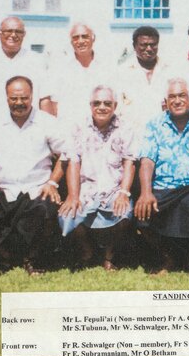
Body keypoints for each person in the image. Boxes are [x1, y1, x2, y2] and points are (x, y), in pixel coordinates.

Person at [0, 76, 67, 275]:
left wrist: (53, 182)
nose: (19, 103)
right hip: (4, 188)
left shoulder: (46, 122)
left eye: (24, 98)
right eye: (14, 98)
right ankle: (0, 258)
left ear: (32, 97)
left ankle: (34, 259)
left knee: (47, 212)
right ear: (7, 98)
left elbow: (66, 154)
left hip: (37, 188)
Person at [134, 78, 189, 275]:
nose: (177, 100)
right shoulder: (154, 125)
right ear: (166, 101)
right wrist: (146, 192)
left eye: (182, 95)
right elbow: (147, 160)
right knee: (142, 215)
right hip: (163, 185)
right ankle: (168, 258)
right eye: (172, 96)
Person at [58, 85, 136, 271]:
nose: (102, 107)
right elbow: (73, 162)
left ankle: (110, 256)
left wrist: (124, 193)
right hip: (86, 189)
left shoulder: (126, 128)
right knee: (68, 214)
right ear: (90, 105)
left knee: (125, 212)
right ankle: (87, 252)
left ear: (115, 105)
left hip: (114, 189)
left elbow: (129, 162)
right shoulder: (78, 127)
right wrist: (73, 196)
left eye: (107, 103)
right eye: (97, 103)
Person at [0, 16, 52, 134]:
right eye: (9, 31)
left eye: (18, 32)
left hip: (28, 131)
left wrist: (49, 132)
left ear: (24, 34)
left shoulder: (37, 60)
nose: (13, 35)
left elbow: (44, 100)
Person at [50, 22, 114, 131]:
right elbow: (52, 104)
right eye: (76, 38)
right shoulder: (60, 67)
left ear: (93, 39)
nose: (80, 41)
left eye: (85, 36)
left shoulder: (106, 66)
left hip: (100, 132)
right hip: (67, 131)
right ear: (71, 42)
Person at [117, 26, 171, 132]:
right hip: (131, 135)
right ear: (134, 46)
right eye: (144, 45)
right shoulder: (122, 73)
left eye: (153, 44)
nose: (149, 49)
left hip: (162, 133)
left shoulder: (169, 71)